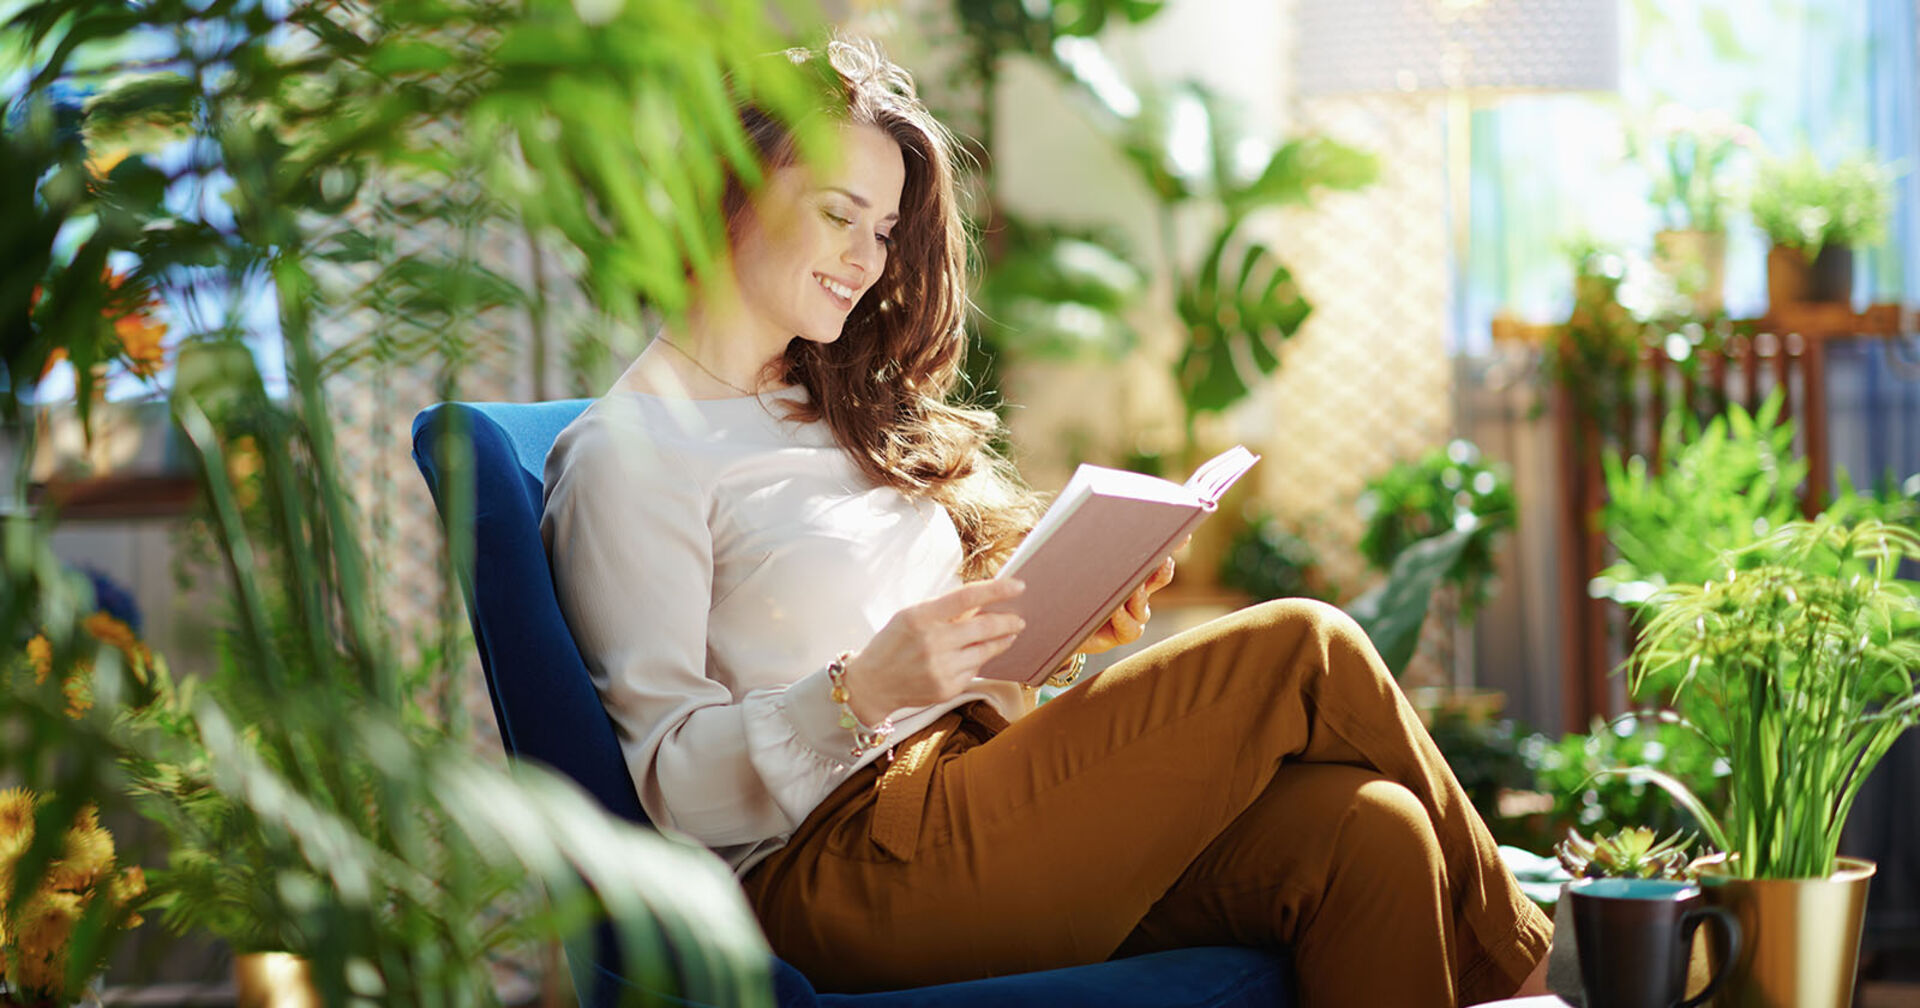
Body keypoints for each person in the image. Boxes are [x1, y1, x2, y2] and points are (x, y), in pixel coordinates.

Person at [541, 36, 1553, 1007]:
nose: (866, 260)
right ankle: (1535, 980)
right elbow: (662, 791)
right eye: (838, 214)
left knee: (1369, 836)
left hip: (965, 799)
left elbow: (946, 670)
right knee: (1305, 643)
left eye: (886, 231)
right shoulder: (634, 455)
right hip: (829, 872)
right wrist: (860, 692)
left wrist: (1051, 635)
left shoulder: (826, 410)